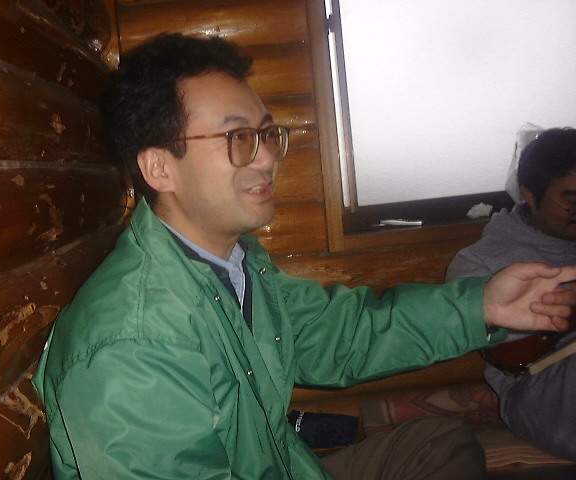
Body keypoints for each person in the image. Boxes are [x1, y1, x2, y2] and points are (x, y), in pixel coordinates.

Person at [33, 33, 576, 480]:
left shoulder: (234, 265)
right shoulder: (134, 344)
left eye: (267, 134)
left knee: (439, 442)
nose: (267, 157)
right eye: (238, 138)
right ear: (159, 168)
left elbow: (340, 336)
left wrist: (483, 305)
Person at [446, 127, 576, 461]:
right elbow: (509, 353)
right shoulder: (481, 262)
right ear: (529, 195)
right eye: (572, 200)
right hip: (538, 389)